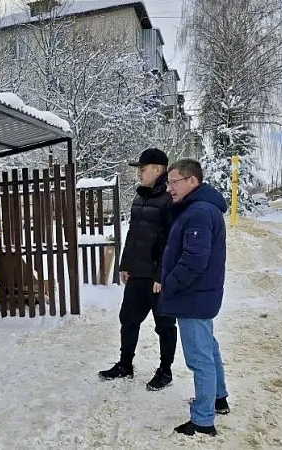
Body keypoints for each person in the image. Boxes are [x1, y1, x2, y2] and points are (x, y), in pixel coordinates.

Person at [160, 159, 230, 437]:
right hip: (200, 295)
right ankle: (218, 398)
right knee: (209, 348)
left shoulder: (199, 211)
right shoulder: (201, 208)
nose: (169, 188)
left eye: (173, 182)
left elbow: (194, 260)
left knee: (199, 358)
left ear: (192, 181)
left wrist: (170, 284)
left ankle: (202, 420)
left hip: (193, 296)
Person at [99, 148, 177, 392]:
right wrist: (125, 264)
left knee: (164, 325)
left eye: (142, 169)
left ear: (158, 169)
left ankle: (165, 370)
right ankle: (125, 364)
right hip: (137, 273)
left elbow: (171, 242)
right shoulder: (139, 197)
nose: (139, 174)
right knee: (128, 320)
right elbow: (133, 234)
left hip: (157, 278)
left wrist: (161, 275)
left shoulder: (170, 198)